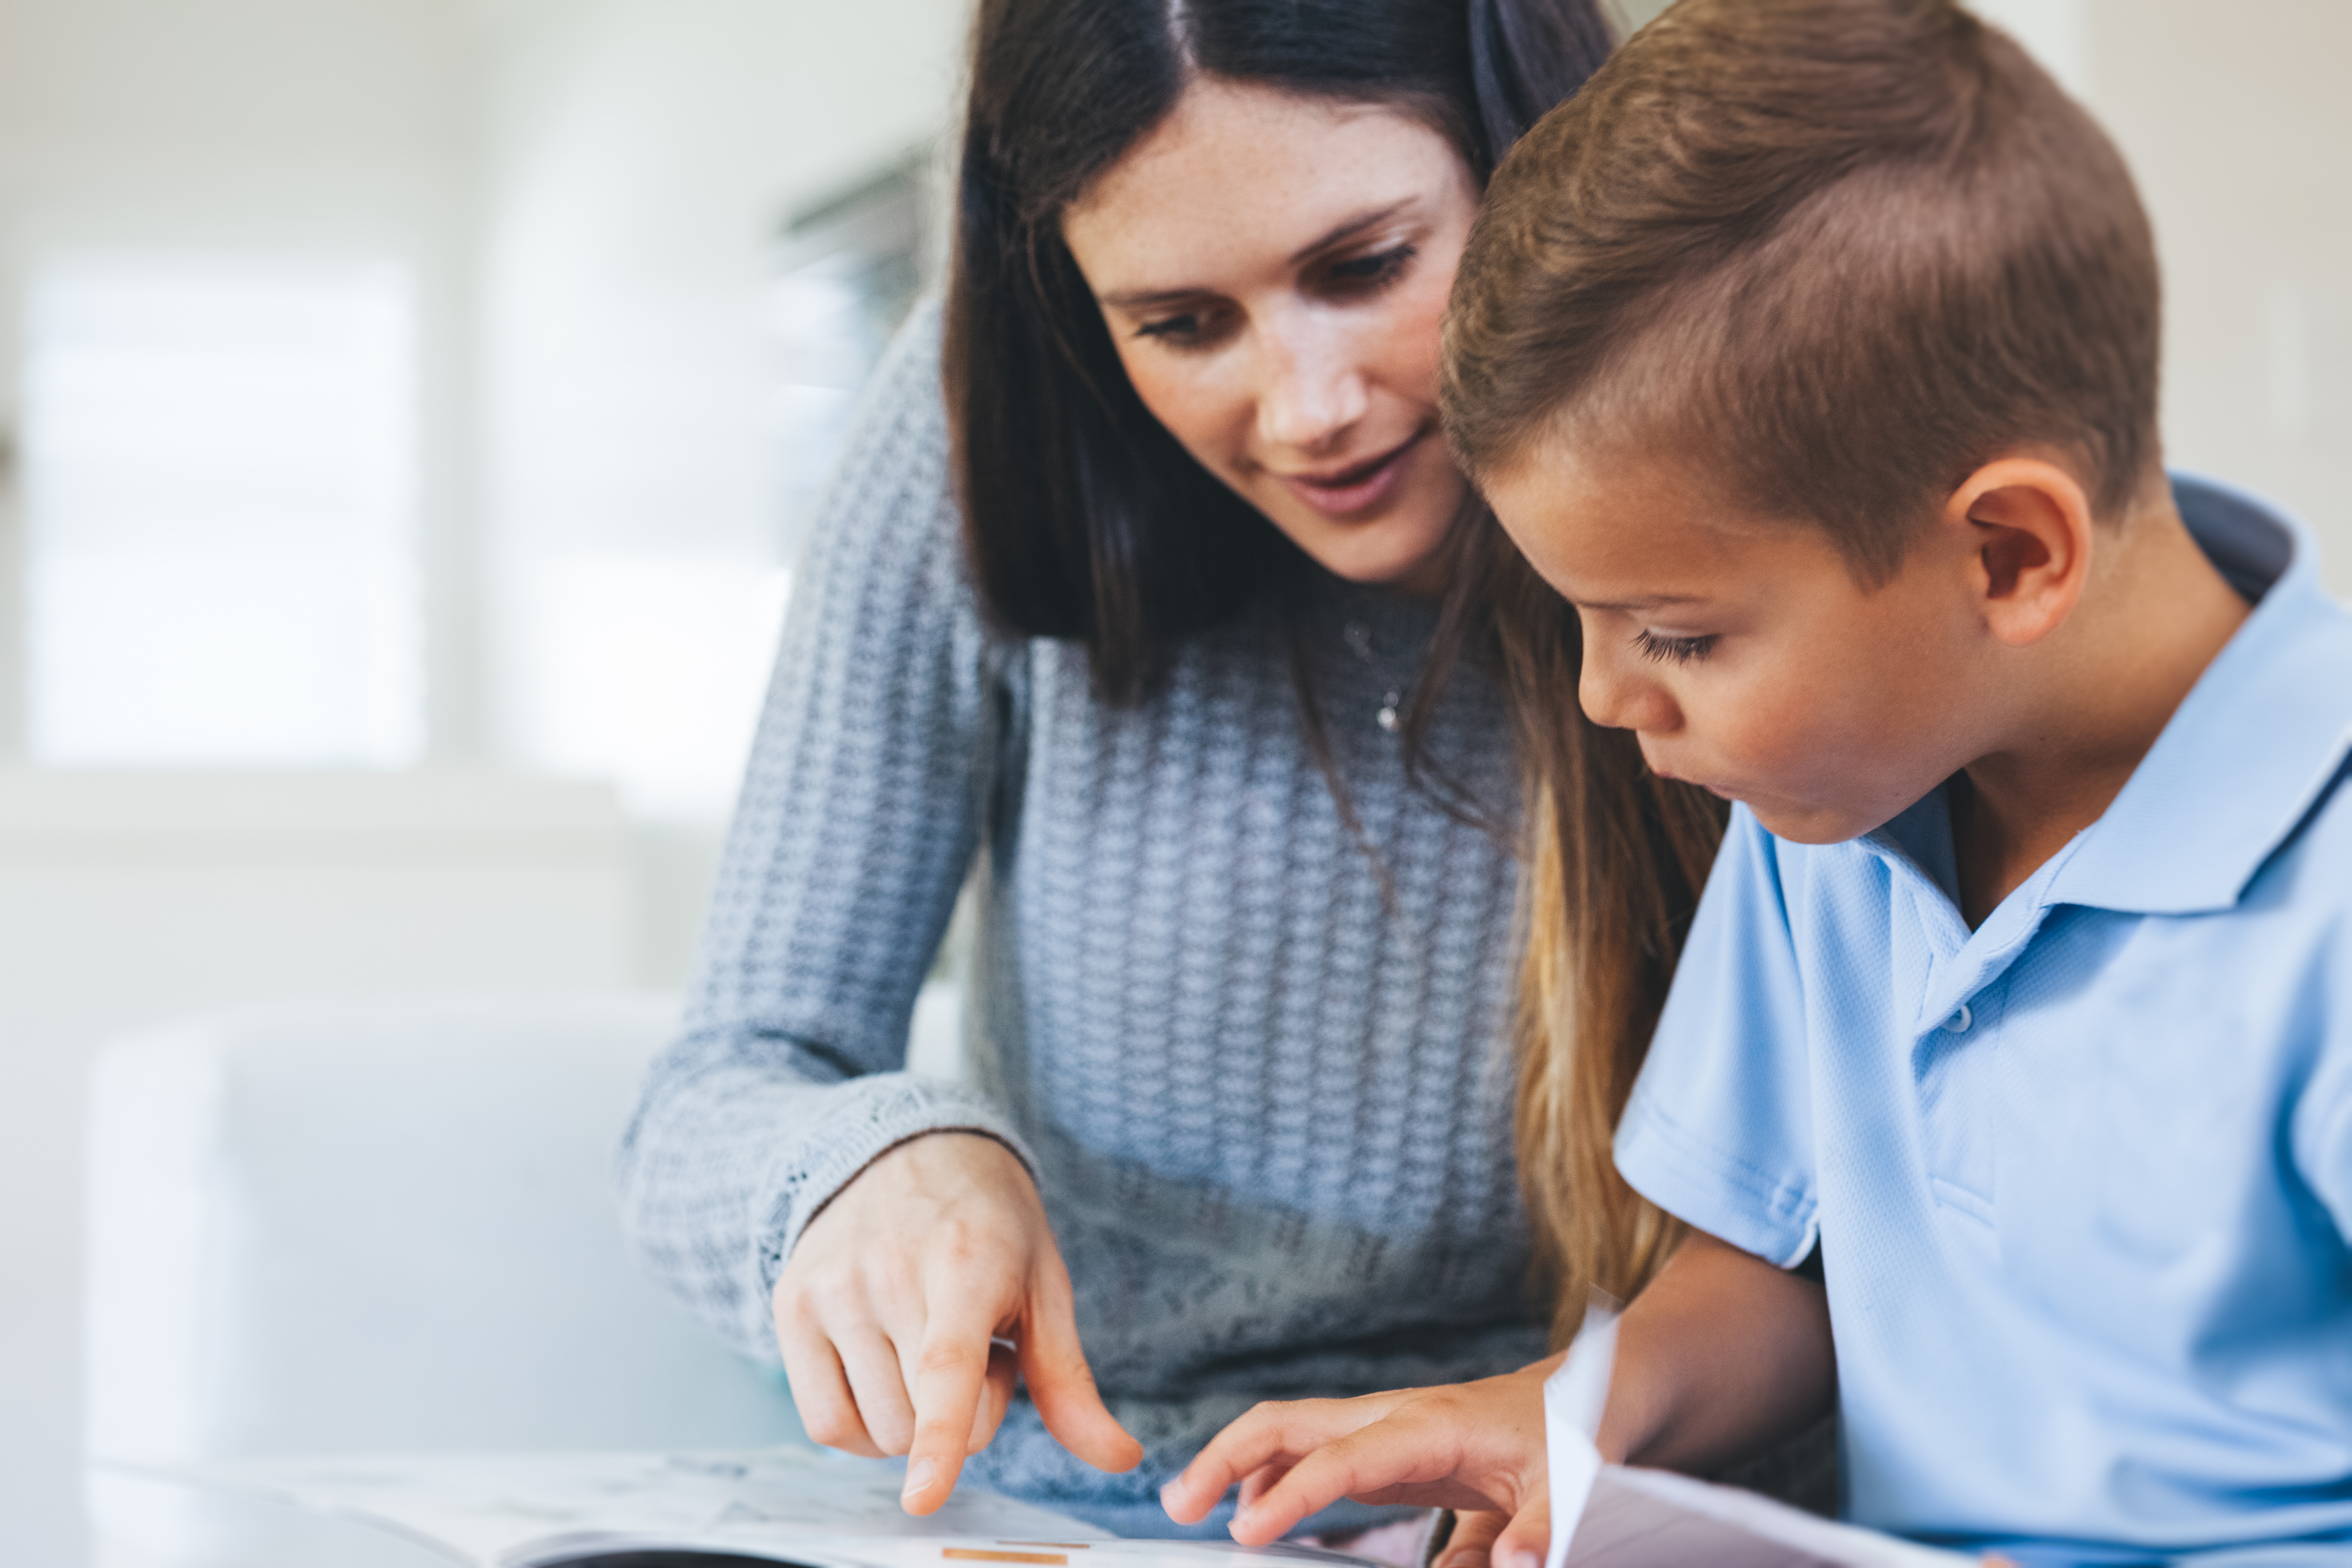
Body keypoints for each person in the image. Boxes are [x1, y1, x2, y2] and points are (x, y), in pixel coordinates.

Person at [1161, 0, 2352, 1561]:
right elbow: (1779, 1271)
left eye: (1675, 633)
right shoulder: (1840, 804)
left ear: (2008, 555)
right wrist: (1567, 1419)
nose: (1602, 697)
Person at [616, 0, 1722, 1548]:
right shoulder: (958, 457)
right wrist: (865, 1164)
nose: (1307, 407)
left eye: (1365, 268)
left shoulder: (1744, 464)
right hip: (1089, 1514)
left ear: (1525, 158)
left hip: (1562, 1510)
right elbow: (720, 1087)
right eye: (1182, 325)